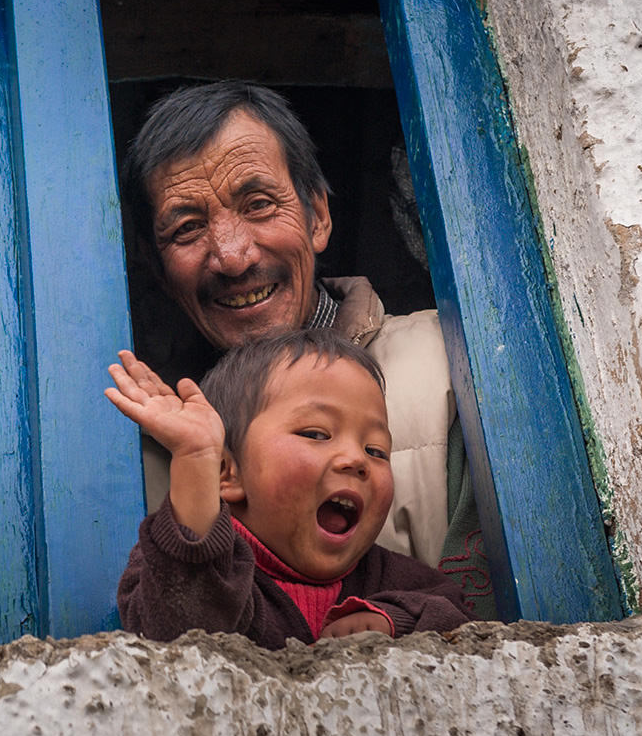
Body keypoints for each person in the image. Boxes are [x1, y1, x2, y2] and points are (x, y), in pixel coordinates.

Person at [120, 80, 493, 617]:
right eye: (187, 228)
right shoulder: (152, 450)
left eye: (258, 205)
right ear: (158, 269)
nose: (232, 256)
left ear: (318, 216)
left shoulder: (450, 365)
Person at [110, 330, 472, 646]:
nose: (355, 459)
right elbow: (179, 631)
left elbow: (457, 618)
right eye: (316, 434)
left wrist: (392, 619)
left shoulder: (391, 578)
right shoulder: (171, 567)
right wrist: (195, 460)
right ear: (227, 473)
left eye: (376, 450)